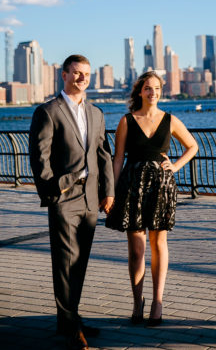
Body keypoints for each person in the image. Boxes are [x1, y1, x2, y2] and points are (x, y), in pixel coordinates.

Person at [29, 54, 115, 350]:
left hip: (91, 196)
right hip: (65, 197)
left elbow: (104, 155)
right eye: (77, 73)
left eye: (87, 74)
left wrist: (109, 192)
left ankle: (71, 318)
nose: (82, 78)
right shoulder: (48, 111)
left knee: (79, 263)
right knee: (64, 262)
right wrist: (54, 191)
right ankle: (70, 328)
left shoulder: (96, 113)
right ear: (63, 75)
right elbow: (40, 158)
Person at [106, 71, 198, 326]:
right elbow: (118, 158)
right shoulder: (126, 121)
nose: (153, 93)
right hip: (132, 186)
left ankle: (157, 302)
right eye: (148, 88)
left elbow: (193, 146)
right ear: (139, 92)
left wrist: (175, 167)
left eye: (156, 88)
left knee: (159, 245)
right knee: (136, 251)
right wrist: (111, 191)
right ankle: (137, 302)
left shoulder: (170, 120)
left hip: (161, 186)